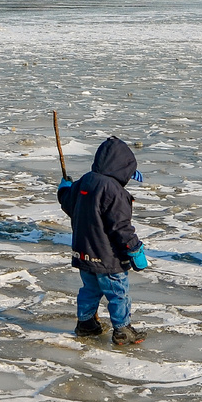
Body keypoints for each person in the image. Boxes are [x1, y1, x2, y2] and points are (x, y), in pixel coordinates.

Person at [57, 136, 150, 345]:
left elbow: (68, 203)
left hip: (84, 252)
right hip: (108, 257)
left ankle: (86, 323)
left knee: (90, 289)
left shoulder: (85, 180)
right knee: (118, 292)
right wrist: (134, 249)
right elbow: (120, 227)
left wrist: (64, 188)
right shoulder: (115, 191)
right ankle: (122, 329)